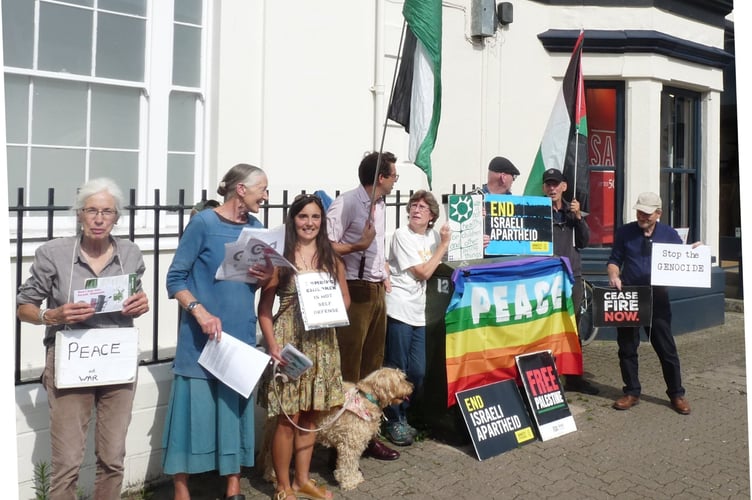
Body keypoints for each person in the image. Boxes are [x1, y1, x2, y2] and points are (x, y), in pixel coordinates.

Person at [16, 178, 150, 500]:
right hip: (71, 359)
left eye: (107, 211)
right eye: (92, 210)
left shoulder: (130, 253)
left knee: (113, 458)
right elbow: (23, 307)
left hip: (116, 360)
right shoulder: (54, 253)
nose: (99, 218)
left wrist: (141, 303)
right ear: (79, 214)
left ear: (117, 217)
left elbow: (134, 297)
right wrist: (54, 315)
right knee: (67, 462)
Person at [162, 164, 274, 500]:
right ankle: (182, 491)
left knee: (234, 411)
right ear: (241, 189)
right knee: (189, 414)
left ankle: (233, 489)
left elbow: (258, 283)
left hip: (239, 335)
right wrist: (199, 312)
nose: (266, 197)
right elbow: (175, 279)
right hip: (201, 338)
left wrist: (267, 276)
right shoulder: (203, 224)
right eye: (262, 190)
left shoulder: (257, 229)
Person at [259, 193, 349, 500]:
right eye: (303, 217)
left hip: (322, 344)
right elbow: (264, 310)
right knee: (288, 418)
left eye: (315, 217)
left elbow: (346, 301)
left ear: (322, 222)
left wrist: (328, 305)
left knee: (310, 416)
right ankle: (282, 485)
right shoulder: (280, 259)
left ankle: (302, 480)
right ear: (292, 220)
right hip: (290, 347)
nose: (309, 223)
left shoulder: (331, 258)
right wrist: (272, 346)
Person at [326, 150, 401, 461]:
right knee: (350, 368)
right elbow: (327, 245)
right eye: (393, 175)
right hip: (353, 290)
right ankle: (338, 442)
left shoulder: (381, 204)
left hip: (375, 288)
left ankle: (368, 435)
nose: (396, 181)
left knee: (373, 366)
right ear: (380, 178)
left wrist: (382, 270)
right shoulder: (346, 203)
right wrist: (358, 246)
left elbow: (377, 245)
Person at [607, 192, 691, 415]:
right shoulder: (625, 232)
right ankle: (631, 391)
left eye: (647, 212)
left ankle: (676, 393)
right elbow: (614, 260)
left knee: (666, 348)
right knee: (626, 347)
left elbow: (682, 260)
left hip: (657, 298)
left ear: (658, 213)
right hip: (630, 296)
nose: (642, 215)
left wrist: (696, 252)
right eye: (639, 211)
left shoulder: (669, 234)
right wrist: (614, 275)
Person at [383, 190, 451, 446]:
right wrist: (443, 247)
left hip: (419, 312)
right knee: (396, 368)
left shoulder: (433, 237)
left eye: (423, 207)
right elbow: (423, 272)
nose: (416, 209)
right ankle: (394, 419)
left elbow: (449, 258)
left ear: (432, 215)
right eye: (413, 205)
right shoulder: (403, 236)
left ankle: (408, 414)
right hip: (400, 308)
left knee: (418, 371)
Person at [541, 168, 599, 395]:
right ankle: (546, 377)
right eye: (548, 184)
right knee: (545, 327)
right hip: (545, 277)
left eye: (556, 184)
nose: (552, 188)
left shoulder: (571, 211)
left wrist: (577, 218)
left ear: (564, 186)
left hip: (571, 276)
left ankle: (574, 378)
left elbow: (584, 242)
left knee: (572, 327)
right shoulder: (536, 211)